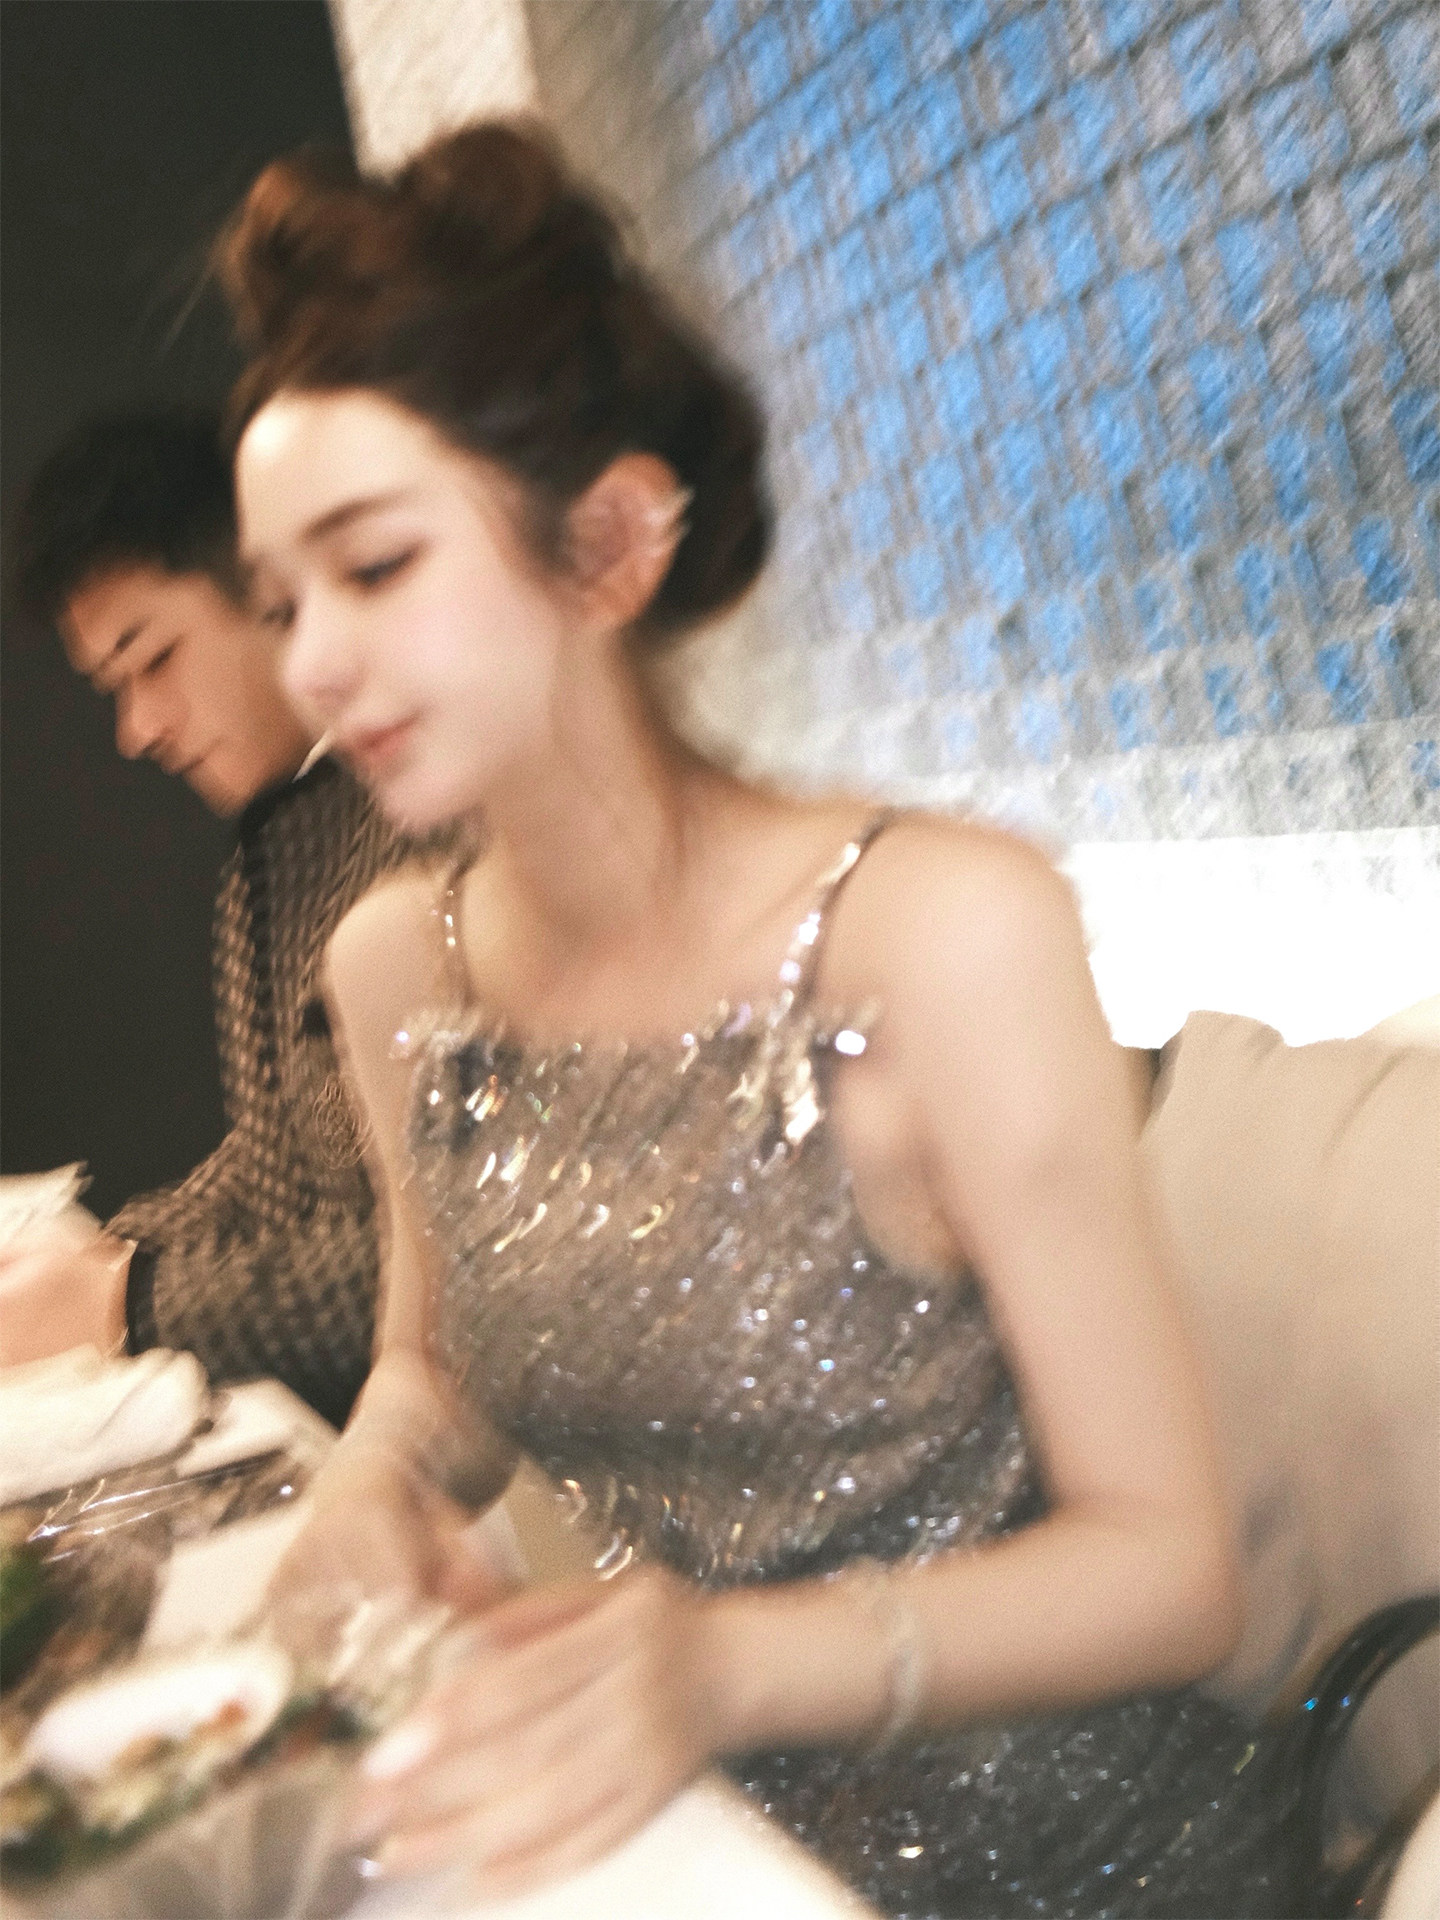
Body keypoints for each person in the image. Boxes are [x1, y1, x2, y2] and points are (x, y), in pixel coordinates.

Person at [225, 122, 1300, 1915]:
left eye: (375, 566)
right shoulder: (402, 967)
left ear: (608, 543)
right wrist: (368, 1484)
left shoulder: (941, 933)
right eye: (277, 600)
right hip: (675, 1848)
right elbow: (435, 1373)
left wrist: (723, 1666)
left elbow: (1176, 1571)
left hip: (1067, 1864)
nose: (309, 665)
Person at [9, 410, 420, 1426]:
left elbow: (446, 1266)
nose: (138, 729)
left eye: (154, 660)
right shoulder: (284, 837)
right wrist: (111, 1256)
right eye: (114, 686)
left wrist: (128, 1299)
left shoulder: (437, 823)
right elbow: (280, 1159)